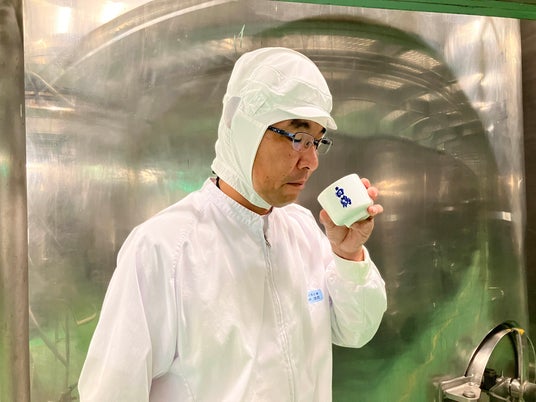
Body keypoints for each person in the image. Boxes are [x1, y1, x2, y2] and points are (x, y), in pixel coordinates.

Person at [78, 47, 387, 402]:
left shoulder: (303, 230)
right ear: (245, 129)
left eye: (317, 141)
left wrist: (348, 256)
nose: (311, 161)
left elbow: (355, 330)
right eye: (299, 138)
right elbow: (111, 392)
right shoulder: (164, 249)